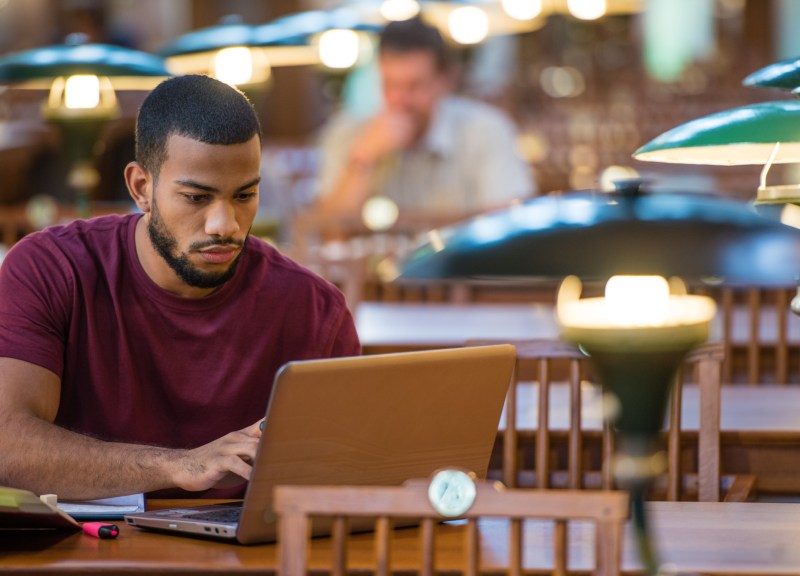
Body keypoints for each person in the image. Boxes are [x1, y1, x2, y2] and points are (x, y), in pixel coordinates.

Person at [0, 75, 360, 500]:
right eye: (196, 197)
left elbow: (349, 471)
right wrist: (180, 465)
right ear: (141, 188)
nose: (224, 225)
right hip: (80, 556)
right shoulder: (50, 270)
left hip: (248, 562)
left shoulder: (315, 309)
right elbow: (8, 447)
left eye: (244, 196)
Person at [317, 16, 536, 219]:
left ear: (446, 80)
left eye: (414, 86)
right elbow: (328, 231)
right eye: (390, 84)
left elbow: (507, 227)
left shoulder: (486, 130)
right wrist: (364, 160)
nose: (399, 99)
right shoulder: (347, 134)